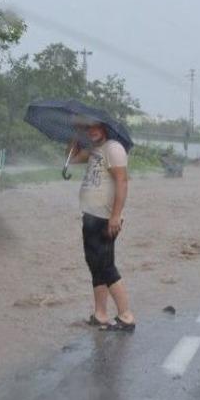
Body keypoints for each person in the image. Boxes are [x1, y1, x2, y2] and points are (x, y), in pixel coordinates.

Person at [67, 120, 135, 332]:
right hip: (91, 216)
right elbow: (72, 158)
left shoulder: (114, 148)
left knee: (105, 265)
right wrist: (76, 135)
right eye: (88, 128)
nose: (92, 131)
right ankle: (100, 314)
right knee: (94, 264)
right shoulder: (95, 150)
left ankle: (126, 316)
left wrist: (115, 216)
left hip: (106, 218)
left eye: (96, 127)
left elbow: (122, 182)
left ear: (105, 129)